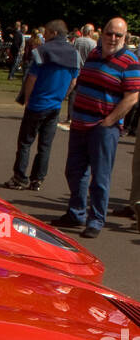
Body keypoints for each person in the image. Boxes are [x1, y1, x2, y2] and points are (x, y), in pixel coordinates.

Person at [55, 17, 140, 238]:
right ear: (102, 34)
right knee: (74, 171)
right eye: (109, 33)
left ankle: (96, 219)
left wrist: (110, 121)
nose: (113, 38)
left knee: (100, 178)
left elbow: (132, 97)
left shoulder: (129, 61)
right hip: (80, 123)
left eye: (118, 35)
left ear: (125, 37)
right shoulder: (94, 53)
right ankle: (76, 213)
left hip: (103, 127)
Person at [7, 20, 79, 191]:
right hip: (55, 105)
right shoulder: (74, 54)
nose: (43, 36)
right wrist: (63, 96)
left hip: (38, 103)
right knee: (45, 145)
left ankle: (20, 177)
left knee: (25, 142)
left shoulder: (42, 51)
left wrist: (28, 98)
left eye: (46, 33)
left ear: (54, 33)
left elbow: (32, 78)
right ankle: (37, 179)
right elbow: (73, 81)